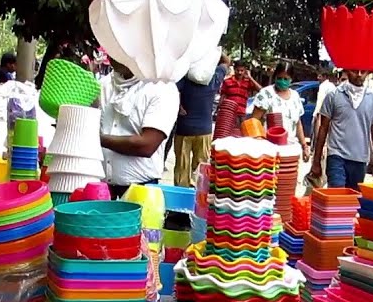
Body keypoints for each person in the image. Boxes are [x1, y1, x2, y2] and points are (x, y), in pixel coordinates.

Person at [100, 60, 179, 198]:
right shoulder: (104, 85)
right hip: (101, 187)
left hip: (141, 190)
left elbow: (146, 145)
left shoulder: (162, 88)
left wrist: (97, 139)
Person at [308, 69, 373, 190]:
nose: (359, 74)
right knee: (337, 197)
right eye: (355, 70)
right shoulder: (333, 95)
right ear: (347, 71)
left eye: (363, 71)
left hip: (360, 159)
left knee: (352, 200)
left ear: (368, 72)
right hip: (336, 156)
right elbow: (323, 128)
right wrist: (316, 161)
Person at [174, 53, 227, 186]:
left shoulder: (183, 79)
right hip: (204, 131)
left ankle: (181, 197)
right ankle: (199, 198)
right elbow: (226, 61)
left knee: (182, 167)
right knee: (202, 169)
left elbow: (171, 91)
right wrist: (211, 48)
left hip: (183, 129)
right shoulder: (214, 79)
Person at [251, 61, 311, 159]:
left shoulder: (295, 96)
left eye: (285, 79)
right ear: (275, 77)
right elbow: (254, 122)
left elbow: (298, 123)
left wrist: (304, 145)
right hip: (269, 150)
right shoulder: (266, 94)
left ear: (291, 79)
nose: (282, 81)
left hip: (290, 150)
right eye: (279, 78)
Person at [219, 59, 260, 125]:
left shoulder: (248, 82)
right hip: (229, 115)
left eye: (242, 70)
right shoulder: (227, 81)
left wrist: (250, 77)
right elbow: (222, 97)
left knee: (241, 133)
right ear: (234, 69)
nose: (240, 72)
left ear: (245, 71)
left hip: (242, 115)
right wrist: (219, 110)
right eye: (238, 70)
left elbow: (261, 90)